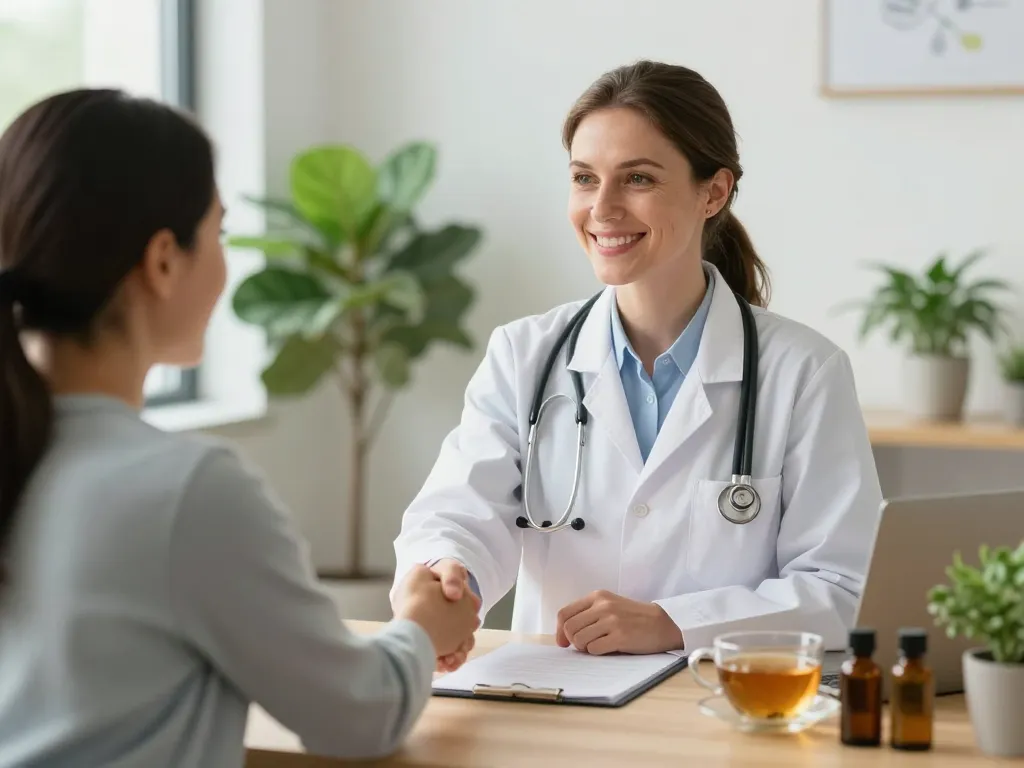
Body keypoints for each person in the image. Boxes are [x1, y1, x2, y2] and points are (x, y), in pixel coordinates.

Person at [0, 89, 479, 767]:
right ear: (163, 260)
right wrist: (423, 630)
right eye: (218, 234)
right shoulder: (184, 491)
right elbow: (359, 715)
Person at [392, 60, 883, 672]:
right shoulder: (524, 355)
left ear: (714, 191)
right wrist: (445, 577)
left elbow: (839, 587)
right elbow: (461, 513)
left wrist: (673, 623)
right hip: (557, 702)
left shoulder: (803, 372)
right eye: (583, 178)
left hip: (721, 705)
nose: (602, 208)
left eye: (638, 179)